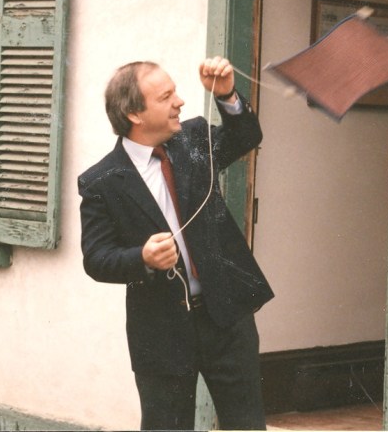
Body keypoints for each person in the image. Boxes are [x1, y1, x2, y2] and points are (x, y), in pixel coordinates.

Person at [79, 57, 274, 430]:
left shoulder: (194, 140)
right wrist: (143, 257)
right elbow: (97, 258)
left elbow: (247, 136)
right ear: (135, 113)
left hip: (226, 318)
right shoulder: (102, 181)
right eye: (166, 96)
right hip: (160, 329)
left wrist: (228, 94)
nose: (180, 102)